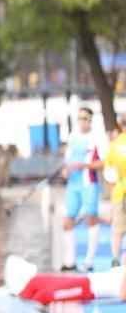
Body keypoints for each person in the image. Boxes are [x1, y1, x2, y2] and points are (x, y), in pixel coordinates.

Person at [61, 107, 106, 271]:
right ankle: (69, 261)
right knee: (67, 221)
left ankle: (89, 261)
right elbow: (67, 161)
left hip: (89, 183)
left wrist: (85, 165)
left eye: (85, 118)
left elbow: (102, 163)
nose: (82, 121)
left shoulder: (97, 138)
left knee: (91, 219)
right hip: (73, 185)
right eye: (80, 118)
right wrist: (65, 171)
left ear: (91, 120)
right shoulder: (72, 137)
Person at [105, 113, 126, 268]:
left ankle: (115, 259)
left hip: (120, 191)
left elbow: (109, 175)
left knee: (118, 228)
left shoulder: (114, 145)